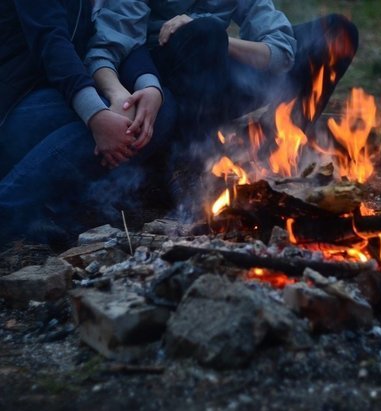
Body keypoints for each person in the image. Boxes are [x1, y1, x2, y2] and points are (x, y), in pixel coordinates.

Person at [0, 0, 177, 249]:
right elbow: (51, 42)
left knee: (159, 108)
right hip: (17, 102)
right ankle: (8, 207)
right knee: (109, 121)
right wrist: (96, 115)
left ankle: (60, 205)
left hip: (66, 93)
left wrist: (147, 86)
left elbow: (122, 40)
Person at [146, 0, 358, 139]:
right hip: (162, 89)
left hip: (216, 81)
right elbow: (119, 45)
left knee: (338, 33)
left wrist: (221, 42)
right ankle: (189, 163)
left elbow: (282, 53)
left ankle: (273, 143)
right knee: (206, 32)